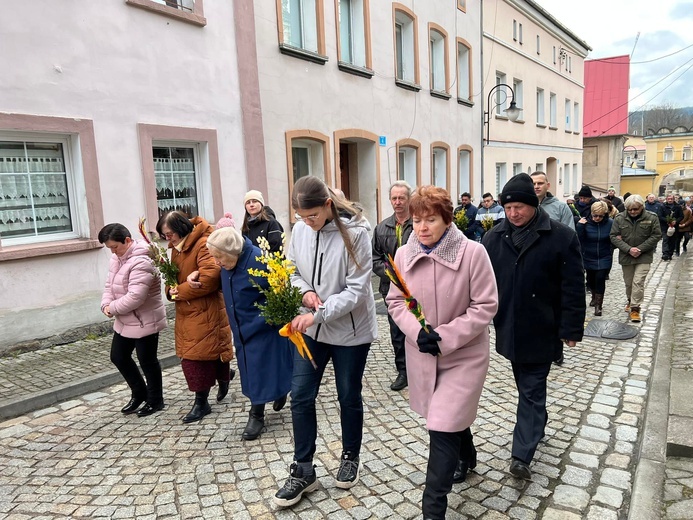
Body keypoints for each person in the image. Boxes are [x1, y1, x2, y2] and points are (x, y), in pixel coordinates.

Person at [386, 186, 498, 519]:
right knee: (447, 419)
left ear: (447, 219)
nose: (422, 227)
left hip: (464, 356)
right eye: (417, 220)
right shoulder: (405, 255)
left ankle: (433, 508)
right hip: (423, 355)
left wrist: (445, 336)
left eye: (430, 220)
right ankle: (467, 454)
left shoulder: (473, 253)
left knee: (442, 424)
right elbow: (396, 300)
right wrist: (416, 331)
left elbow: (485, 305)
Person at [274, 176, 377, 507]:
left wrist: (317, 314)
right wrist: (304, 291)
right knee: (301, 396)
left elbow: (357, 291)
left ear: (328, 205)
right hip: (313, 332)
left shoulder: (357, 233)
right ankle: (304, 469)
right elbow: (290, 269)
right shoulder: (301, 230)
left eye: (313, 216)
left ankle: (350, 456)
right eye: (302, 218)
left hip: (349, 332)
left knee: (348, 395)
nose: (308, 223)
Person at [482, 173, 586, 480]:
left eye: (520, 207)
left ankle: (521, 455)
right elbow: (482, 283)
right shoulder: (493, 238)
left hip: (544, 328)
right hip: (510, 329)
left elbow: (573, 287)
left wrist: (570, 328)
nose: (513, 213)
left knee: (530, 389)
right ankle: (536, 421)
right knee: (526, 385)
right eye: (508, 207)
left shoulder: (561, 236)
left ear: (533, 204)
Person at [206, 227, 293, 440]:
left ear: (234, 252)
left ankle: (257, 414)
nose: (217, 262)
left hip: (263, 327)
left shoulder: (259, 261)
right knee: (252, 369)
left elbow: (280, 292)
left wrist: (269, 319)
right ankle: (280, 391)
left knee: (259, 369)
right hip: (240, 327)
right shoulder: (228, 261)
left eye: (219, 257)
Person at [156, 211, 233, 423]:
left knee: (196, 357)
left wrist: (179, 291)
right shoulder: (176, 247)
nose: (167, 239)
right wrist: (171, 291)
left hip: (206, 310)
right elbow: (173, 277)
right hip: (186, 309)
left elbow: (209, 278)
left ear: (180, 229)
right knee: (201, 352)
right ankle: (224, 377)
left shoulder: (203, 243)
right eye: (164, 236)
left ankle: (201, 402)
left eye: (169, 234)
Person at [99, 223, 167, 417]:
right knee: (118, 356)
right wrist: (105, 304)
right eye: (110, 248)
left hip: (145, 319)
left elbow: (136, 297)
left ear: (127, 241)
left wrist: (112, 308)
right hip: (125, 319)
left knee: (147, 361)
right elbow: (109, 285)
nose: (113, 251)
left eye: (115, 247)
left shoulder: (142, 261)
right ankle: (140, 393)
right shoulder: (117, 258)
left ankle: (155, 400)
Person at [372, 180, 414, 391]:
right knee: (397, 333)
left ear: (409, 199)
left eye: (401, 198)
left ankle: (422, 369)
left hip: (417, 289)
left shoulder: (418, 224)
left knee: (419, 328)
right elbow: (375, 259)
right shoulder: (382, 227)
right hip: (392, 290)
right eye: (394, 198)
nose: (397, 202)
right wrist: (393, 275)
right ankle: (403, 371)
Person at [610, 195, 662, 322]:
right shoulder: (620, 218)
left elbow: (656, 235)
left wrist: (640, 249)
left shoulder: (651, 217)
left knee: (638, 282)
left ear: (641, 207)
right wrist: (628, 249)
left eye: (636, 209)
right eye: (630, 209)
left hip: (644, 256)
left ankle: (635, 308)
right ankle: (630, 300)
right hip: (626, 256)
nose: (633, 212)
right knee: (629, 283)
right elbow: (613, 236)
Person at [576, 201, 613, 316]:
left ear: (605, 214)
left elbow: (614, 238)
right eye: (595, 216)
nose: (597, 218)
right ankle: (593, 296)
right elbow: (579, 240)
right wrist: (580, 226)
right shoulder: (585, 223)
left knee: (601, 278)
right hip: (589, 256)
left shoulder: (611, 223)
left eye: (600, 216)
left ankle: (598, 305)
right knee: (591, 279)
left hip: (604, 256)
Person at [657, 194, 684, 260]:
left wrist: (676, 221)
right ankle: (665, 253)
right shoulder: (662, 206)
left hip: (674, 227)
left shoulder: (678, 207)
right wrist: (667, 220)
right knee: (665, 239)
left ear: (673, 199)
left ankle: (670, 253)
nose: (670, 200)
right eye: (668, 199)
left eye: (671, 199)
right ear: (666, 199)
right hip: (664, 226)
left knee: (672, 240)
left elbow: (681, 216)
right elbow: (659, 216)